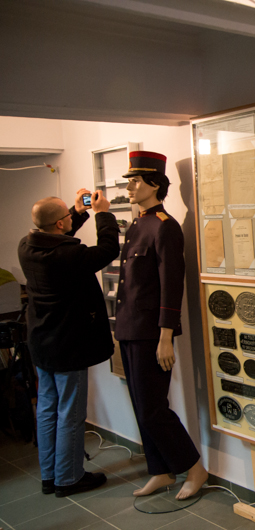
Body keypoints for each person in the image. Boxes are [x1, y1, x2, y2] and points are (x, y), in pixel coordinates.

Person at [113, 151, 208, 499]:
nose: (129, 187)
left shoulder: (165, 226)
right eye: (129, 181)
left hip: (151, 333)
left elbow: (171, 284)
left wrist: (166, 336)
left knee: (153, 409)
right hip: (129, 329)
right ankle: (160, 470)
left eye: (136, 181)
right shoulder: (137, 224)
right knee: (141, 407)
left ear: (155, 185)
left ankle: (194, 468)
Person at [18, 188, 117, 497]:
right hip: (68, 347)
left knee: (47, 408)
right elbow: (107, 249)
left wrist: (77, 212)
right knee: (71, 413)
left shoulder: (26, 246)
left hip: (41, 344)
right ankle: (69, 478)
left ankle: (50, 476)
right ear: (60, 224)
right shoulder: (68, 255)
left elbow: (56, 237)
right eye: (67, 216)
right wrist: (102, 214)